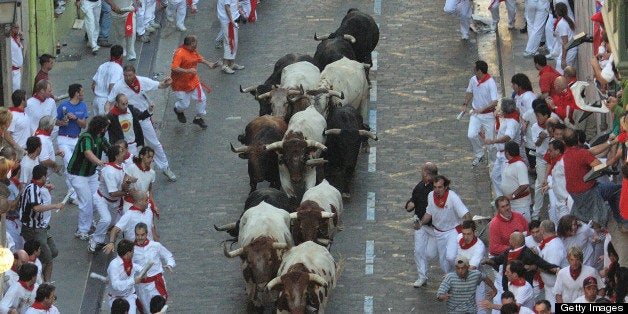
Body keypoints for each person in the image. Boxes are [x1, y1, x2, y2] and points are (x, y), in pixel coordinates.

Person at [106, 65, 176, 181]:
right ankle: (127, 174)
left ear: (134, 74)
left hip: (142, 118)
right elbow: (109, 101)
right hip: (128, 120)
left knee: (154, 143)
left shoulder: (142, 81)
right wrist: (106, 114)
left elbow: (160, 85)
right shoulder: (119, 86)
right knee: (127, 146)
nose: (128, 78)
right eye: (125, 76)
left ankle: (165, 167)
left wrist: (167, 83)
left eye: (130, 75)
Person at [67, 115, 111, 241]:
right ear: (101, 128)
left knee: (98, 199)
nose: (107, 130)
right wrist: (101, 163)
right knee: (86, 202)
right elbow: (87, 153)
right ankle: (82, 230)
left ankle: (89, 222)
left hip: (91, 174)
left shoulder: (100, 138)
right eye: (105, 127)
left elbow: (110, 150)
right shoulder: (86, 138)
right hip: (77, 175)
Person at [562, 128, 618, 227]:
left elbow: (592, 151)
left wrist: (611, 143)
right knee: (618, 188)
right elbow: (600, 167)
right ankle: (623, 222)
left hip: (576, 194)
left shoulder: (567, 153)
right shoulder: (582, 153)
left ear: (564, 142)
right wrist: (617, 154)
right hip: (589, 192)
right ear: (578, 139)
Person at [418, 175, 472, 275]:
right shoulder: (430, 196)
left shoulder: (452, 197)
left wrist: (470, 231)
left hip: (452, 231)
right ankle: (451, 278)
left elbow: (465, 213)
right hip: (438, 232)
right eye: (435, 187)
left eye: (440, 187)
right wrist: (421, 223)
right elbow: (428, 213)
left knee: (451, 256)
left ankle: (461, 272)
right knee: (443, 263)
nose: (437, 190)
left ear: (445, 187)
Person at [19, 165, 64, 283]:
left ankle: (39, 274)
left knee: (53, 252)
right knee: (48, 258)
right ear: (43, 177)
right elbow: (37, 208)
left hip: (40, 227)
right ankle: (46, 283)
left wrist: (46, 186)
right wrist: (55, 206)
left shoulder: (35, 186)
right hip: (33, 229)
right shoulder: (32, 189)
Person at [89, 145, 134, 253]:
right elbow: (113, 192)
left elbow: (125, 176)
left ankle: (104, 238)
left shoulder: (122, 165)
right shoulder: (109, 171)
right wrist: (127, 192)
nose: (125, 153)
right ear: (116, 156)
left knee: (112, 223)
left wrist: (129, 180)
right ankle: (95, 239)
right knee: (106, 219)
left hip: (114, 202)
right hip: (102, 199)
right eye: (122, 151)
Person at [483, 232, 559, 294]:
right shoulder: (508, 251)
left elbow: (542, 264)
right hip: (508, 288)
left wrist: (557, 270)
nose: (509, 241)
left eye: (510, 239)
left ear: (515, 242)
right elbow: (497, 259)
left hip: (522, 289)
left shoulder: (528, 253)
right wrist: (487, 261)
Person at [171, 35, 221, 130]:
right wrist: (187, 71)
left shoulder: (192, 50)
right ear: (191, 44)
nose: (197, 45)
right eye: (195, 43)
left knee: (202, 99)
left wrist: (210, 64)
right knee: (184, 105)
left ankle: (198, 118)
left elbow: (198, 58)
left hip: (193, 81)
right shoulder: (179, 53)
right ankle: (178, 110)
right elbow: (174, 68)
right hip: (180, 85)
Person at [405, 162, 437, 287]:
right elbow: (413, 199)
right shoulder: (420, 186)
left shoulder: (439, 187)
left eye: (423, 172)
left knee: (430, 253)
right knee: (418, 250)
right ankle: (422, 276)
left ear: (428, 174)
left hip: (434, 227)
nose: (421, 174)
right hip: (420, 225)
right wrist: (409, 205)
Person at [133, 222, 175, 313]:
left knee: (161, 310)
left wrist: (169, 264)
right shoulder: (132, 249)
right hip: (142, 286)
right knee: (148, 310)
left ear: (147, 234)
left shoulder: (155, 246)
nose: (140, 237)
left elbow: (168, 256)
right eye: (137, 235)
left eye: (142, 235)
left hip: (156, 284)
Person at [462, 60, 498, 167]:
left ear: (480, 71)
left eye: (475, 69)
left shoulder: (491, 83)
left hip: (488, 116)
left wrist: (482, 109)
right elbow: (470, 92)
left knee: (490, 143)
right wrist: (465, 104)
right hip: (476, 113)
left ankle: (494, 162)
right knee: (471, 135)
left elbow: (495, 102)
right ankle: (479, 154)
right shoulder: (473, 80)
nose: (473, 70)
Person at [56, 83, 89, 198]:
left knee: (75, 165)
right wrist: (62, 122)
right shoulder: (63, 106)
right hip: (63, 139)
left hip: (76, 139)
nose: (83, 94)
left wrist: (76, 119)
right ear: (76, 93)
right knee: (70, 163)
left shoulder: (83, 106)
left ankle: (74, 191)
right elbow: (55, 121)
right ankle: (73, 194)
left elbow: (84, 125)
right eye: (82, 92)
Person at [485, 99, 521, 198]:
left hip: (507, 155)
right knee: (495, 176)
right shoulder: (511, 117)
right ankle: (501, 197)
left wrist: (494, 141)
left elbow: (508, 136)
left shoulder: (512, 122)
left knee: (505, 179)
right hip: (501, 154)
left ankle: (506, 198)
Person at [106, 239, 147, 314]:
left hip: (129, 296)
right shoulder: (114, 266)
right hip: (115, 300)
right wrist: (133, 281)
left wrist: (142, 270)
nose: (133, 253)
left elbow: (133, 266)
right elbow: (115, 285)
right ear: (128, 253)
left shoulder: (128, 261)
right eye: (133, 251)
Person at [456, 220, 489, 312]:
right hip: (462, 279)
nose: (465, 237)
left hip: (477, 280)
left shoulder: (479, 247)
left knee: (480, 308)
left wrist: (454, 276)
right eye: (464, 234)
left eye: (469, 234)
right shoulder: (459, 238)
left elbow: (471, 268)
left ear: (475, 233)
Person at [537, 220, 566, 311]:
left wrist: (537, 267)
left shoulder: (554, 246)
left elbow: (554, 269)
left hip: (557, 289)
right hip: (550, 289)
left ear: (542, 230)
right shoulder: (549, 243)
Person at [500, 141, 531, 220]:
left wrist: (512, 195)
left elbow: (524, 185)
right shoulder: (509, 163)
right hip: (512, 204)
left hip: (520, 205)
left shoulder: (520, 165)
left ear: (507, 153)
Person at [542, 140, 570, 226]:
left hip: (566, 202)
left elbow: (571, 179)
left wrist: (569, 198)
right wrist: (549, 186)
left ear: (557, 151)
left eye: (550, 150)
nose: (548, 152)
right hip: (560, 201)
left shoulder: (563, 163)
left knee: (566, 227)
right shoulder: (557, 163)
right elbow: (558, 180)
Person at [122, 146, 156, 215]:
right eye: (148, 157)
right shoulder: (131, 168)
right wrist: (129, 181)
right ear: (141, 156)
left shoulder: (152, 173)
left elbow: (150, 191)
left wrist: (154, 205)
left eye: (151, 157)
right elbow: (124, 187)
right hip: (130, 203)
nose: (150, 160)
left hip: (144, 204)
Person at [92, 45, 124, 115]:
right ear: (121, 56)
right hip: (107, 102)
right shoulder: (118, 68)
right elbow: (111, 87)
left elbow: (93, 85)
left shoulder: (102, 66)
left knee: (96, 124)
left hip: (96, 100)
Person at [217, 0, 245, 74]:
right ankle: (225, 65)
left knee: (233, 41)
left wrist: (239, 10)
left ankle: (232, 63)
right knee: (229, 42)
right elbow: (227, 7)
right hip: (228, 21)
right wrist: (231, 20)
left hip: (231, 19)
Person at [552, 3, 577, 73]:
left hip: (568, 51)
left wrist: (563, 59)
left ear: (556, 11)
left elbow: (565, 43)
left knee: (560, 73)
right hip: (571, 49)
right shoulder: (569, 19)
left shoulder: (562, 24)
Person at [10, 23, 23, 92]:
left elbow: (21, 48)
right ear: (11, 28)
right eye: (16, 28)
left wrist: (21, 38)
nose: (17, 30)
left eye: (18, 28)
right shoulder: (9, 40)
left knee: (17, 90)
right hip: (13, 71)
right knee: (16, 92)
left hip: (18, 70)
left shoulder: (16, 38)